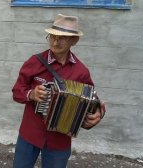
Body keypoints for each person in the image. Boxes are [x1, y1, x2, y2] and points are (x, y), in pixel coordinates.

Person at [12, 14, 106, 168]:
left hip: (60, 139)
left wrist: (99, 114)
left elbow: (92, 101)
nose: (55, 42)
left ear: (74, 41)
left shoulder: (81, 72)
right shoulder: (34, 62)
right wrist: (31, 94)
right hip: (30, 132)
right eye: (52, 36)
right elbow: (17, 91)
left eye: (62, 38)